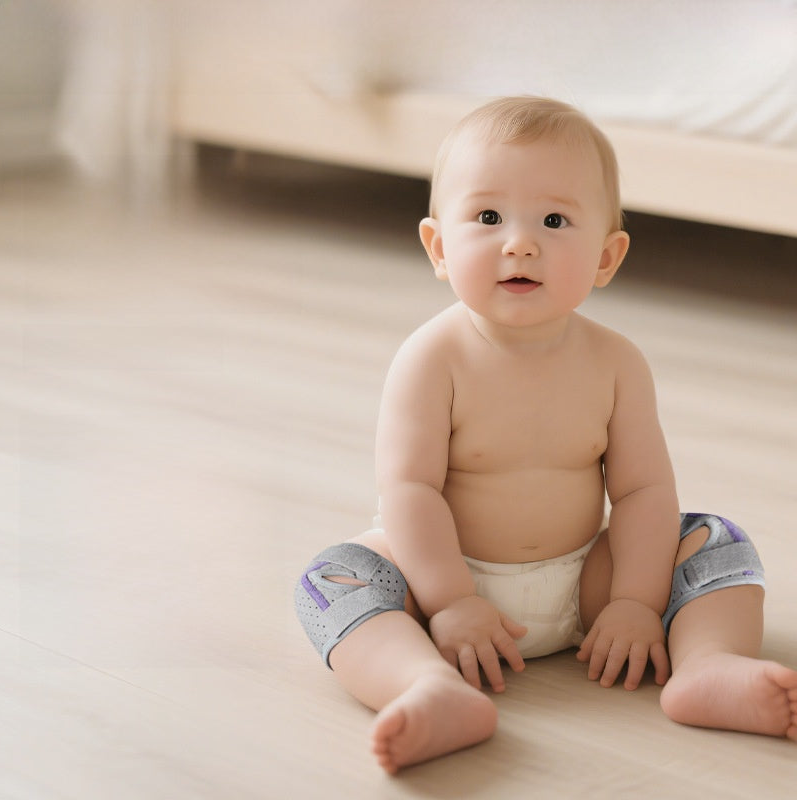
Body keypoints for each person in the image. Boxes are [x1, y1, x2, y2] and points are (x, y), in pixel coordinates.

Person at [294, 96, 797, 774]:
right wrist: (450, 601)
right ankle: (426, 684)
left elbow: (645, 491)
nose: (520, 242)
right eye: (489, 217)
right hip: (445, 573)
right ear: (440, 247)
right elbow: (410, 490)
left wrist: (633, 603)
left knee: (715, 541)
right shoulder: (430, 358)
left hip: (584, 577)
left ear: (606, 257)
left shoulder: (617, 363)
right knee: (330, 580)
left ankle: (709, 668)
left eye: (555, 220)